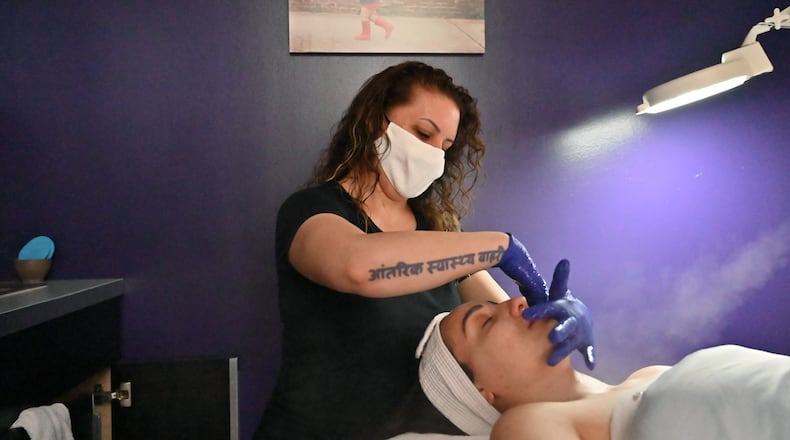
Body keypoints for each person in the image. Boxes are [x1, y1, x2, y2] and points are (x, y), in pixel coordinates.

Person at [254, 61, 595, 440]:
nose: (434, 155)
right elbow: (357, 266)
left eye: (445, 147)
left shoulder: (437, 231)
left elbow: (509, 333)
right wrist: (500, 246)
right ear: (373, 122)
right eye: (422, 133)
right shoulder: (312, 211)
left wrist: (557, 323)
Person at [415, 260, 790, 440]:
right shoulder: (527, 426)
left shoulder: (648, 375)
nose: (517, 303)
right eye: (485, 322)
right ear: (483, 390)